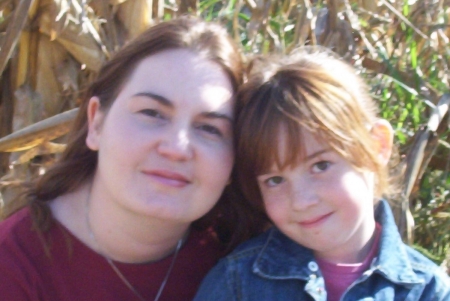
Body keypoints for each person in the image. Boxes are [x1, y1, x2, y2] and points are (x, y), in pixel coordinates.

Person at [0, 17, 265, 301]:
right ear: (96, 123)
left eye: (210, 128)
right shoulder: (14, 266)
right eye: (152, 113)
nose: (176, 147)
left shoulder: (255, 266)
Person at [194, 49, 450, 300]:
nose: (302, 201)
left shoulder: (428, 290)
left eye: (321, 165)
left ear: (377, 145)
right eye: (275, 180)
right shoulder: (237, 283)